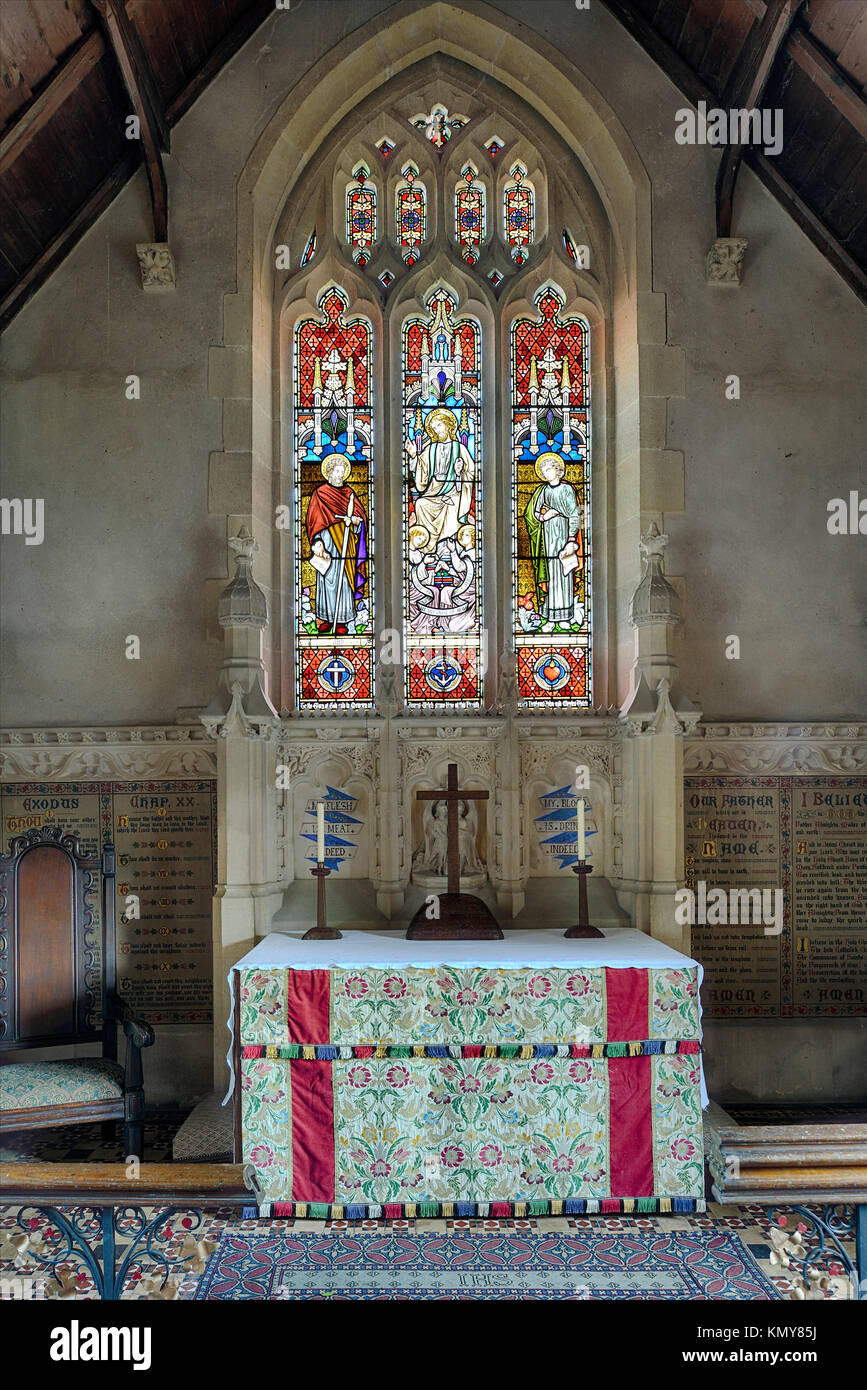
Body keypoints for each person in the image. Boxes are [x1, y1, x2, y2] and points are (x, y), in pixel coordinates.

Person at [305, 453, 369, 633]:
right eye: (337, 472)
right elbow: (313, 521)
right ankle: (325, 619)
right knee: (327, 579)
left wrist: (356, 523)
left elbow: (361, 518)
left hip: (347, 542)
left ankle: (341, 621)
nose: (340, 475)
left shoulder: (349, 494)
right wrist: (317, 542)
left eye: (342, 472)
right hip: (327, 541)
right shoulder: (320, 494)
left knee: (344, 579)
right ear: (329, 472)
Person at [524, 452, 582, 630]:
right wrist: (544, 517)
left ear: (558, 471)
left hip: (564, 534)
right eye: (543, 470)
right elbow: (531, 513)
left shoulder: (567, 490)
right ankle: (549, 617)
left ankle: (565, 616)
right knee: (550, 574)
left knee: (563, 574)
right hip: (547, 537)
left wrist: (571, 539)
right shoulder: (542, 491)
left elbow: (574, 514)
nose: (545, 473)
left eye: (549, 469)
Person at [405, 407, 474, 551]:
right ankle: (429, 547)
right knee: (421, 504)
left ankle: (451, 546)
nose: (437, 430)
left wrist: (458, 473)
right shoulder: (430, 449)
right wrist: (413, 456)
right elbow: (421, 471)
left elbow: (471, 472)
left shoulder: (460, 448)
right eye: (434, 427)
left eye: (439, 425)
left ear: (448, 426)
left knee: (454, 504)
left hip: (454, 491)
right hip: (433, 490)